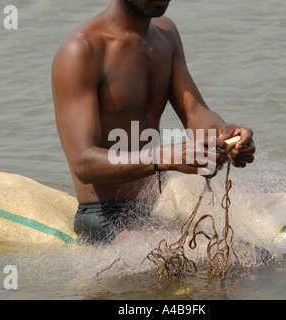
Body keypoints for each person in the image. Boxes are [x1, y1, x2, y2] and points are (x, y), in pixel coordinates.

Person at [51, 0, 256, 245]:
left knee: (271, 231)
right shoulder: (83, 49)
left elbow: (195, 111)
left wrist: (225, 135)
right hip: (105, 216)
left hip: (153, 207)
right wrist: (165, 157)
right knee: (236, 256)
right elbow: (83, 164)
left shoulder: (166, 35)